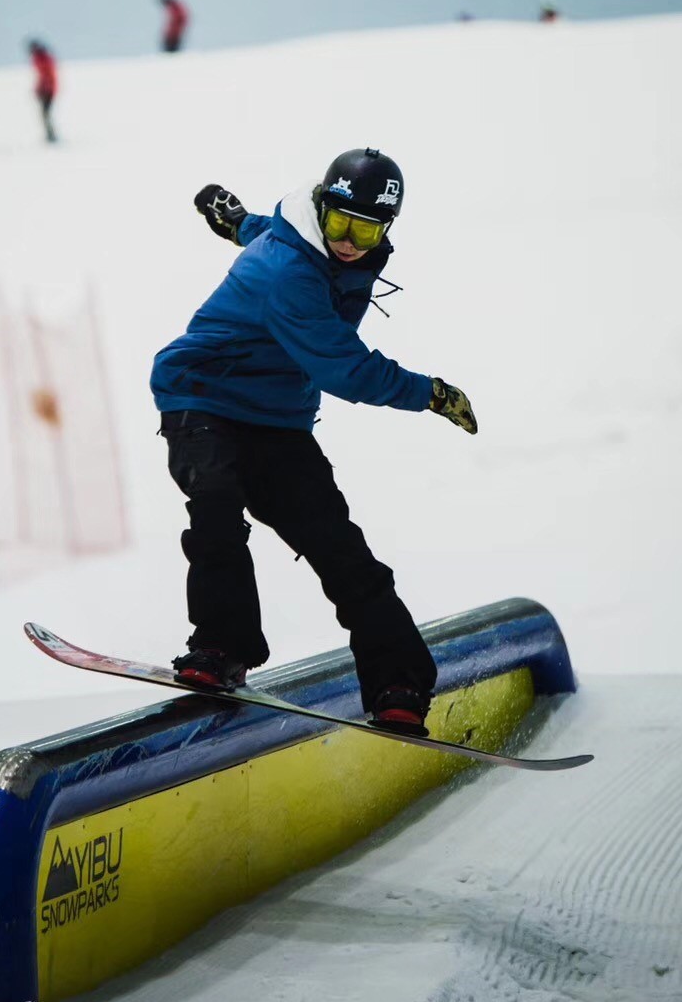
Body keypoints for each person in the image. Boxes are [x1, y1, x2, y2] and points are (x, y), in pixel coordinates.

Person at [150, 148, 478, 736]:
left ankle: (398, 685)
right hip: (202, 396)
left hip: (278, 418)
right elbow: (344, 369)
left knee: (339, 547)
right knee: (216, 509)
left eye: (366, 228)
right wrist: (427, 393)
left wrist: (239, 224)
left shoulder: (319, 243)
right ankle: (222, 648)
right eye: (339, 224)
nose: (350, 242)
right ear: (322, 209)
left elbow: (273, 230)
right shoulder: (290, 274)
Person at [26, 38, 58, 142]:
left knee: (45, 114)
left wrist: (41, 89)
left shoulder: (42, 59)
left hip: (47, 90)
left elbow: (46, 76)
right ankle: (50, 135)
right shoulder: (41, 58)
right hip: (46, 89)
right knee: (45, 114)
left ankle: (51, 135)